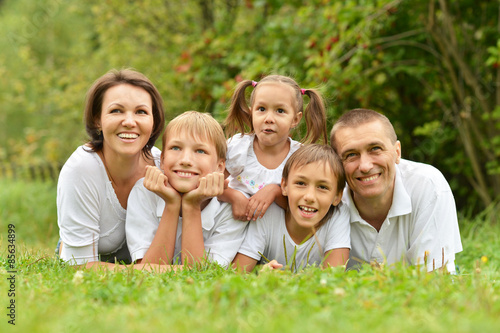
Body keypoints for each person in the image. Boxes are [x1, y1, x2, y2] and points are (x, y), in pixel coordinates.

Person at [330, 108, 463, 273]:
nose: (365, 166)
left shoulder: (428, 185)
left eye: (375, 149)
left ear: (397, 152)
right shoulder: (327, 199)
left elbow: (434, 282)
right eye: (351, 154)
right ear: (337, 164)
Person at [56, 69, 165, 268]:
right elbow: (79, 264)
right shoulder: (80, 169)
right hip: (86, 258)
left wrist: (232, 196)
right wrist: (147, 272)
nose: (130, 122)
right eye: (117, 111)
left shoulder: (163, 164)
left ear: (153, 121)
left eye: (141, 112)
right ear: (98, 119)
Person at [126, 111, 249, 268]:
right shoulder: (144, 192)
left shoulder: (230, 210)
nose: (185, 160)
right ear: (162, 160)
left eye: (200, 151)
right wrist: (171, 204)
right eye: (176, 148)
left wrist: (192, 205)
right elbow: (148, 269)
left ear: (219, 167)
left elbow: (201, 275)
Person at [220, 75, 328, 221]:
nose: (269, 118)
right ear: (251, 113)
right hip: (230, 232)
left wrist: (275, 192)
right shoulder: (239, 147)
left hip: (274, 237)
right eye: (262, 109)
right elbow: (207, 186)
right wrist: (233, 196)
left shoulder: (301, 158)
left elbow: (299, 206)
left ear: (295, 119)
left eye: (280, 111)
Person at [232, 144, 350, 273]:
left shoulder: (338, 215)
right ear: (284, 186)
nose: (309, 196)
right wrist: (263, 277)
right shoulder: (268, 213)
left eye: (322, 187)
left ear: (337, 196)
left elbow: (333, 277)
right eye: (300, 183)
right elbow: (237, 274)